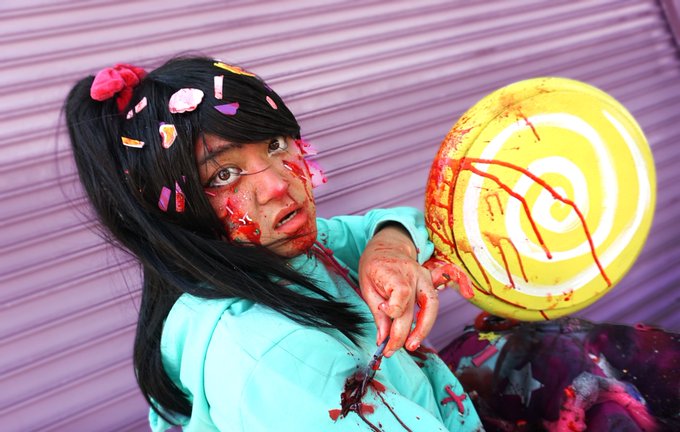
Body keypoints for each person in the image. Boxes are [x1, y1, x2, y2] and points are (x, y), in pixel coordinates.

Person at [64, 56, 482, 431]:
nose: (279, 185)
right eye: (224, 175)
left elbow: (384, 224)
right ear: (174, 212)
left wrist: (390, 248)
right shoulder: (275, 359)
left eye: (276, 144)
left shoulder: (291, 249)